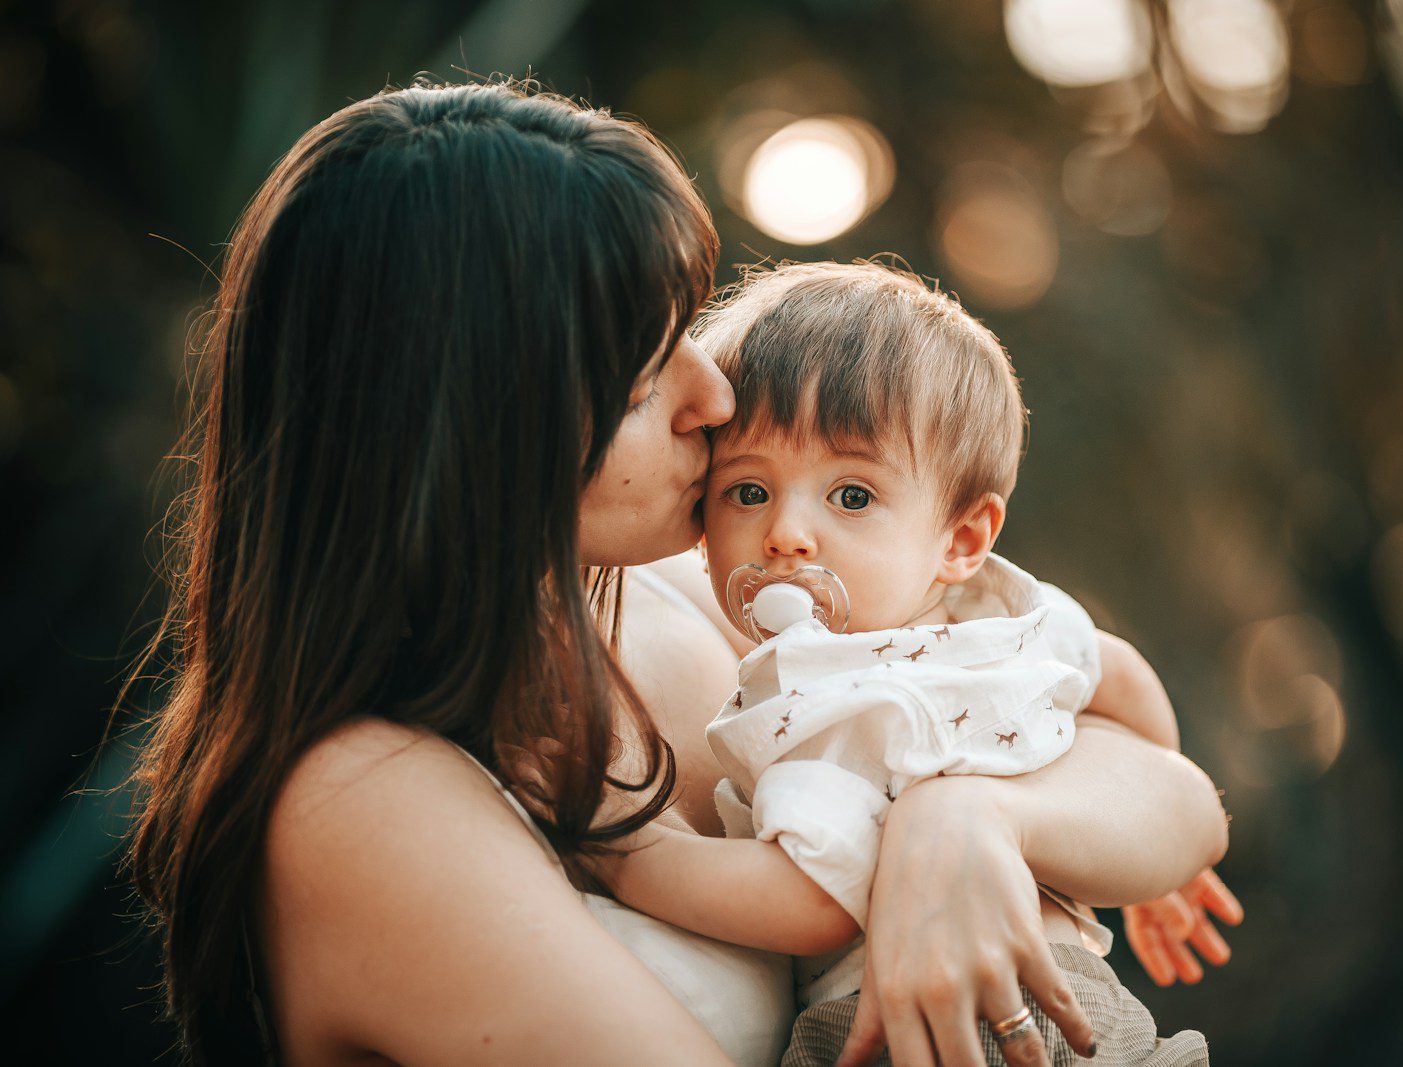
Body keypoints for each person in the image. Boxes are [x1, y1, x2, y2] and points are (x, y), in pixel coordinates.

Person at [123, 80, 1231, 1067]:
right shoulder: (364, 801)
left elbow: (1169, 789)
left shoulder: (719, 602)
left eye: (691, 331)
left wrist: (968, 821)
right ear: (482, 426)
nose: (715, 396)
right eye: (651, 368)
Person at [592, 262, 1234, 1064]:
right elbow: (1118, 674)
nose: (787, 533)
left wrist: (637, 858)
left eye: (852, 497)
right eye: (748, 492)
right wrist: (1139, 861)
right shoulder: (1011, 619)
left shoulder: (815, 694)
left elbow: (811, 903)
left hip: (914, 1025)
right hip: (1095, 1018)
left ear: (963, 538)